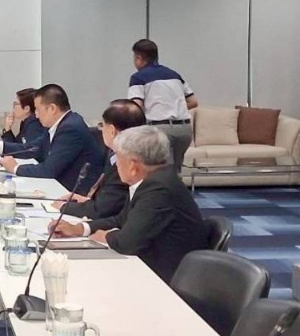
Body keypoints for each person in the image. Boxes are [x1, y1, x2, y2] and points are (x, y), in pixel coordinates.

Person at [52, 125, 207, 284]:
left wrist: (105, 236)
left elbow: (127, 243)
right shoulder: (154, 180)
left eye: (118, 157)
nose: (116, 165)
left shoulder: (159, 189)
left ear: (133, 166)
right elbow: (121, 219)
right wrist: (80, 229)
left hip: (165, 277)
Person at [0, 84, 103, 192]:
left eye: (38, 109)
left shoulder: (70, 128)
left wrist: (15, 168)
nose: (36, 115)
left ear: (52, 109)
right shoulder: (60, 124)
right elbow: (30, 148)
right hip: (59, 185)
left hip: (73, 193)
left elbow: (49, 170)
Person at [53, 99, 145, 220]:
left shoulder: (127, 163)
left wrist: (65, 207)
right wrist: (87, 201)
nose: (101, 130)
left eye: (102, 125)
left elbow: (103, 210)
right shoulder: (116, 155)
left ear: (112, 131)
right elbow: (110, 202)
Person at [128, 39, 197, 173]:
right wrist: (172, 107)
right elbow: (193, 101)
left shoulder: (138, 78)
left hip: (160, 129)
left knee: (162, 171)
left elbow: (136, 107)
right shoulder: (174, 75)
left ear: (139, 58)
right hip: (185, 130)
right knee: (176, 171)